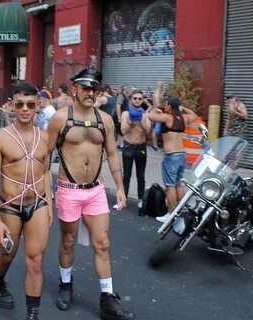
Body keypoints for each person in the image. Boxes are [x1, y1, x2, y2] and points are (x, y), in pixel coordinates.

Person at [47, 67, 134, 320]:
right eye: (85, 87)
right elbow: (44, 156)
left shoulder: (105, 120)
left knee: (103, 243)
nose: (90, 92)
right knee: (68, 241)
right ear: (74, 88)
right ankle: (66, 284)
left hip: (95, 191)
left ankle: (107, 298)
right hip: (68, 190)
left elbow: (113, 154)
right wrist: (43, 190)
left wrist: (119, 187)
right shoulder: (60, 118)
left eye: (94, 88)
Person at [0, 82, 52, 320]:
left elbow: (44, 172)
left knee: (35, 260)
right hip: (10, 207)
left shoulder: (45, 138)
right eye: (20, 104)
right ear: (12, 105)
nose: (25, 109)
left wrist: (50, 204)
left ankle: (32, 314)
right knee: (7, 256)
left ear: (38, 106)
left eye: (30, 104)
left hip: (38, 205)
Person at [146, 81, 198, 223]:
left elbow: (150, 116)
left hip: (171, 156)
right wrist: (183, 108)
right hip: (182, 155)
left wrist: (154, 110)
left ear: (169, 106)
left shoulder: (167, 118)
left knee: (170, 186)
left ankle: (171, 214)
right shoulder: (184, 118)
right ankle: (181, 211)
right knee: (179, 184)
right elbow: (194, 114)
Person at [120, 89, 151, 209]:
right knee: (126, 176)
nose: (137, 100)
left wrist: (141, 121)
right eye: (135, 98)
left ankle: (141, 199)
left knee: (141, 176)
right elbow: (123, 131)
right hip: (128, 147)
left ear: (142, 100)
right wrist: (131, 124)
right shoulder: (126, 114)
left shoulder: (144, 114)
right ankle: (123, 198)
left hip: (141, 148)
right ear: (131, 99)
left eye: (139, 98)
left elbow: (148, 131)